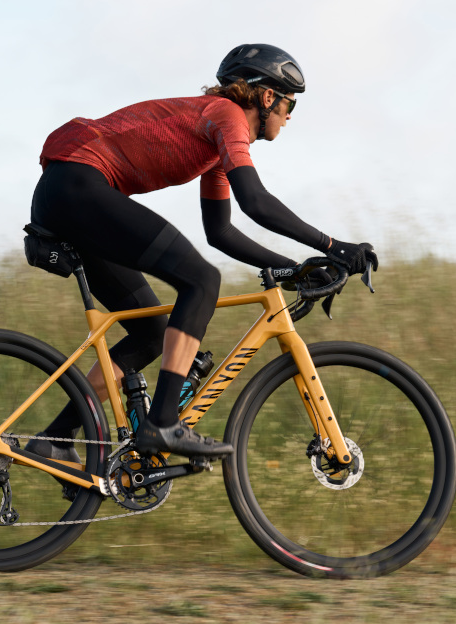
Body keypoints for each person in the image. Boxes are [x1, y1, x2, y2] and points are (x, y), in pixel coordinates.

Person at [26, 43, 378, 472]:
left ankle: (55, 439)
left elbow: (221, 231)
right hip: (80, 186)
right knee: (202, 281)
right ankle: (163, 423)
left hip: (68, 195)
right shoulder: (226, 115)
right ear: (267, 97)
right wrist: (331, 245)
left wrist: (290, 268)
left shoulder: (213, 140)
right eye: (289, 105)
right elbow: (256, 202)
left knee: (151, 333)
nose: (289, 117)